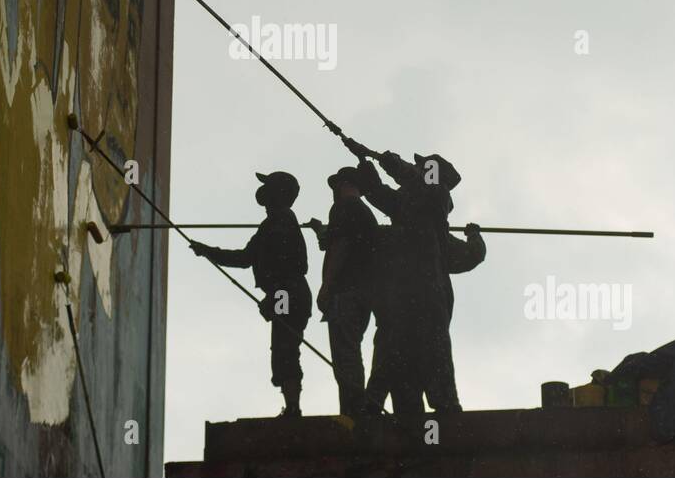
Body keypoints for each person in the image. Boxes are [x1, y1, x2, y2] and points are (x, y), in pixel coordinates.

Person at [346, 140, 485, 415]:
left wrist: (390, 165)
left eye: (423, 167)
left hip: (422, 293)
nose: (419, 169)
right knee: (401, 348)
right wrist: (367, 164)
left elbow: (404, 192)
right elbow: (381, 194)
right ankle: (387, 403)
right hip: (412, 294)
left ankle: (432, 404)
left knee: (412, 347)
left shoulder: (432, 198)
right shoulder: (418, 212)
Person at [190, 171, 312, 417]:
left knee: (285, 348)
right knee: (283, 348)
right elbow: (245, 258)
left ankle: (292, 409)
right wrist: (208, 251)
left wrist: (275, 297)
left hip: (287, 292)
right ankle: (291, 407)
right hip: (287, 293)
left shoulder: (281, 221)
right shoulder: (273, 223)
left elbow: (283, 265)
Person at [308, 166, 379, 417]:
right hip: (364, 294)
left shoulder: (343, 207)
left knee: (345, 355)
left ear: (342, 184)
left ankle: (354, 412)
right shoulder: (363, 213)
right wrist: (319, 229)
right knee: (351, 351)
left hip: (345, 293)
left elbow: (340, 245)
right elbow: (334, 238)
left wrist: (327, 286)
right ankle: (356, 407)